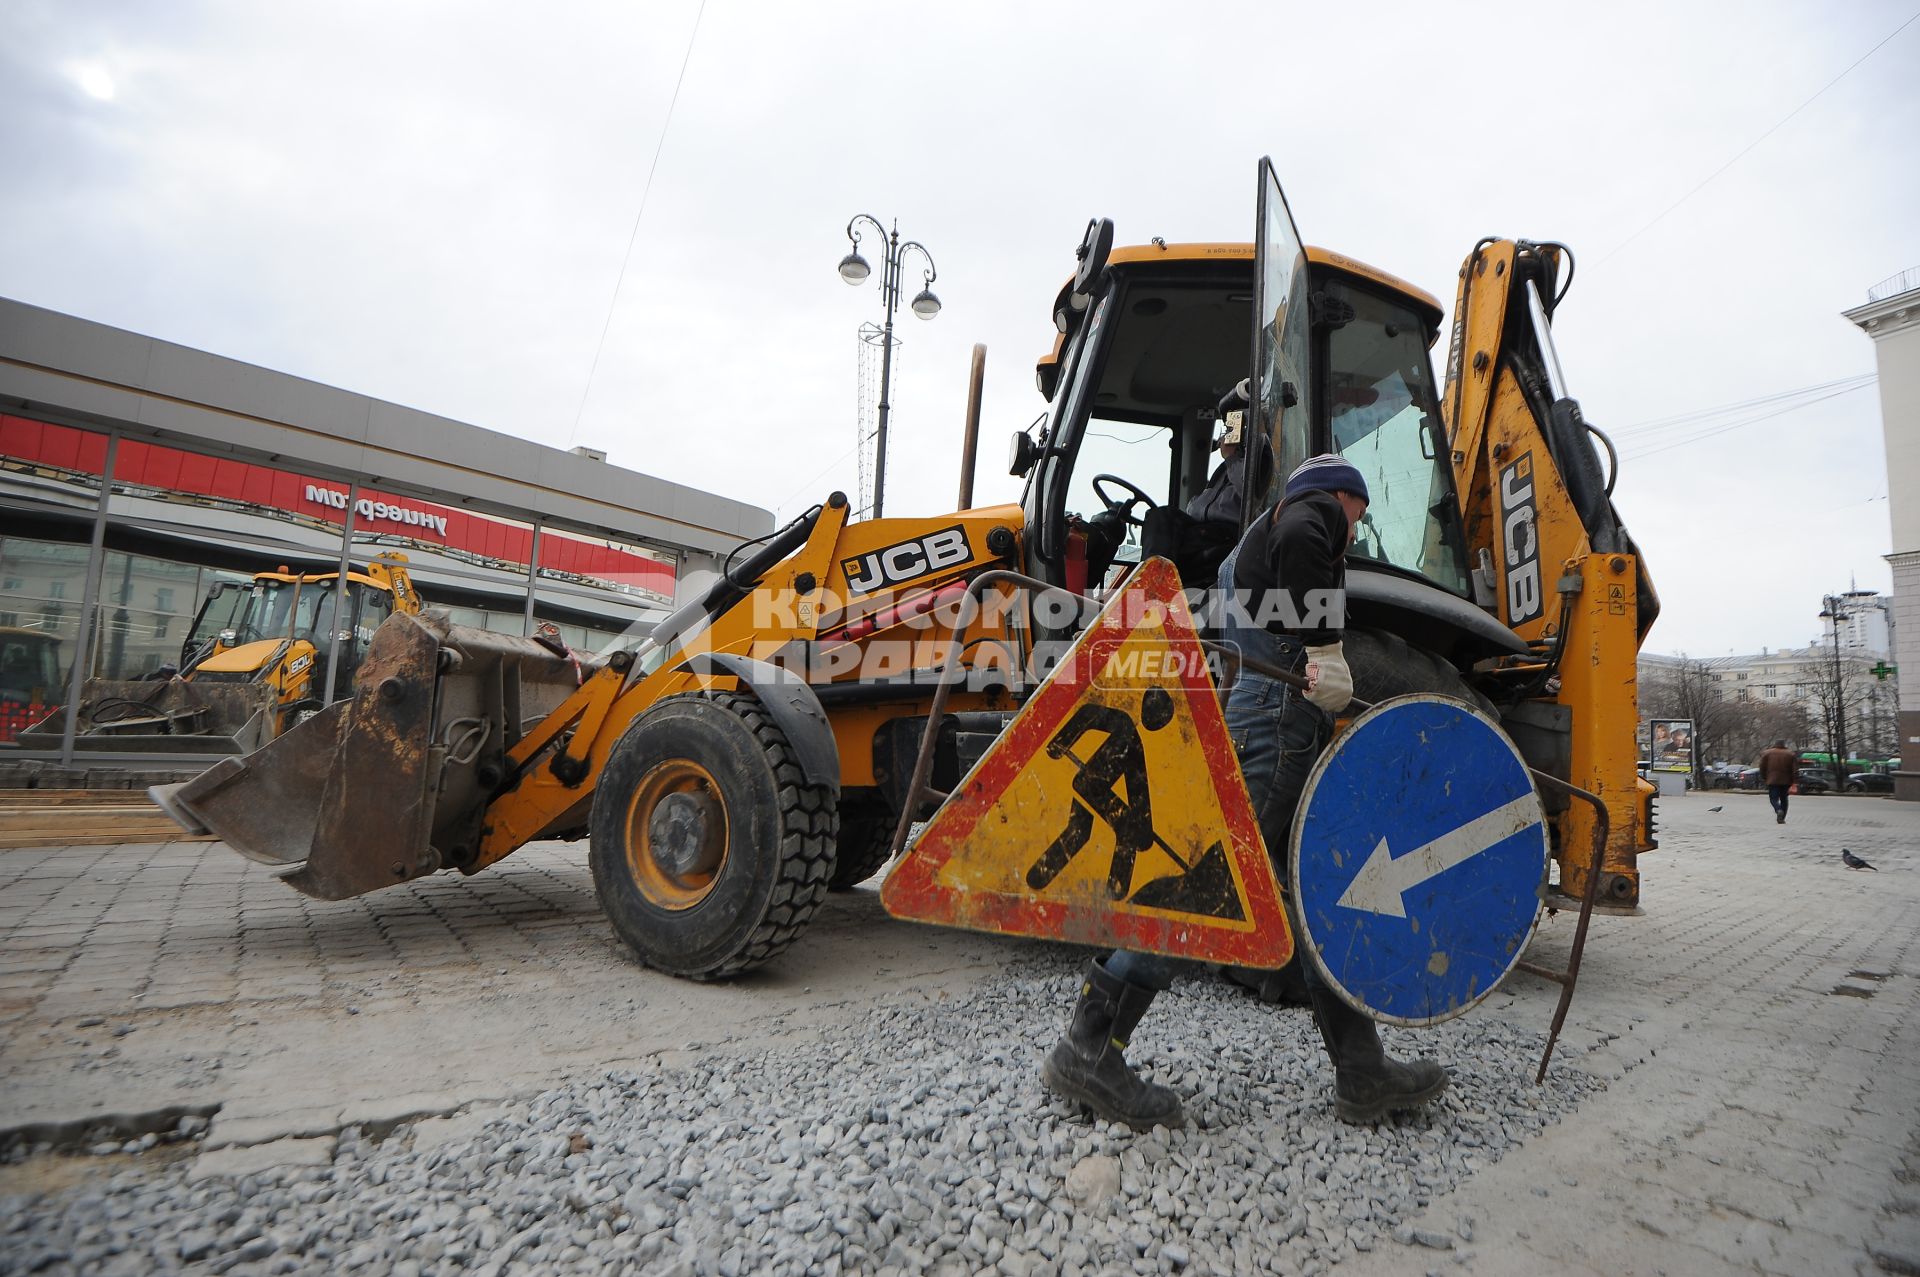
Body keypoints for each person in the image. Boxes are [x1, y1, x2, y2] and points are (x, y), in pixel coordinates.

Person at [1040, 454, 1448, 1129]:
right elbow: (1306, 542)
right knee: (1215, 882)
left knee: (1310, 887)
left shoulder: (1252, 544)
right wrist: (1325, 650)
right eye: (1359, 514)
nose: (1355, 529)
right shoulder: (1309, 511)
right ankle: (1088, 1047)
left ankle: (1361, 1068)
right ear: (1342, 495)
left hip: (1272, 711)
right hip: (1281, 712)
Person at [1758, 739, 1798, 824]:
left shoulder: (1767, 753)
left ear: (1775, 744)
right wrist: (1794, 781)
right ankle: (1782, 818)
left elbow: (1762, 767)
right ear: (1784, 745)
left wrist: (1765, 778)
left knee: (1773, 798)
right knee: (1784, 799)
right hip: (1786, 781)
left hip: (1772, 780)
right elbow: (1795, 770)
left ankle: (1778, 809)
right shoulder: (1790, 754)